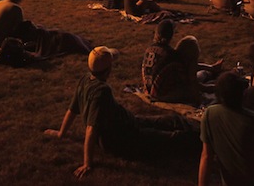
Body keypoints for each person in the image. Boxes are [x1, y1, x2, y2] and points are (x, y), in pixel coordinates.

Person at [45, 46, 194, 179]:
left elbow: (72, 110)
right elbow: (91, 128)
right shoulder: (101, 92)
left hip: (129, 122)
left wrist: (61, 133)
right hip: (125, 138)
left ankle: (193, 128)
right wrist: (87, 163)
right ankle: (202, 139)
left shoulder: (85, 79)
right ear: (108, 69)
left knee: (169, 120)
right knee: (170, 139)